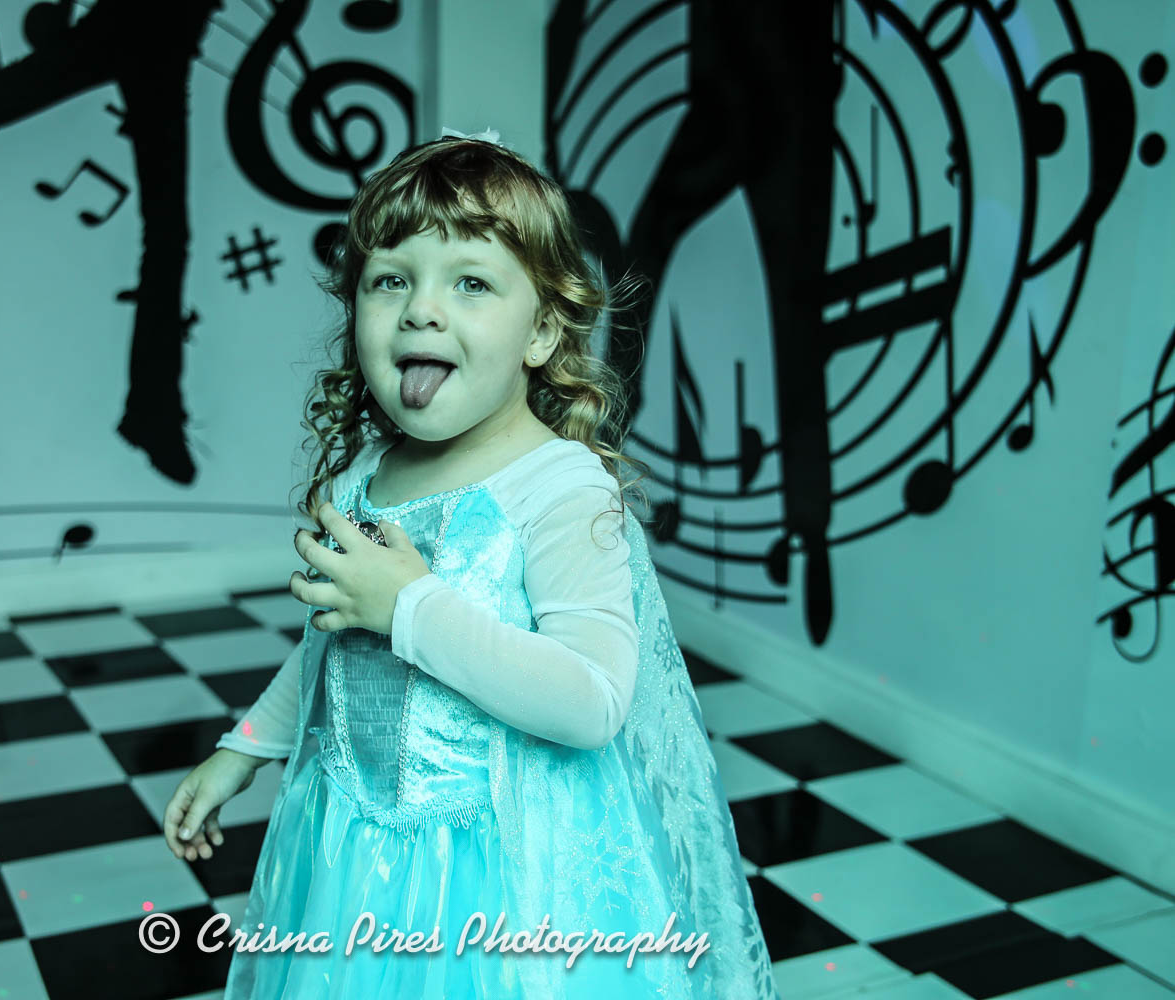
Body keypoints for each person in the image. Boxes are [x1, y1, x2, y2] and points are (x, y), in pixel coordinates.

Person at [163, 129, 780, 999]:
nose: (421, 309)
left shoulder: (559, 489)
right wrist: (245, 748)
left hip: (506, 885)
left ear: (541, 331)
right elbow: (331, 650)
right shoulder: (363, 477)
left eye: (471, 283)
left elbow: (593, 702)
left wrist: (412, 608)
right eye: (390, 280)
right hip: (352, 861)